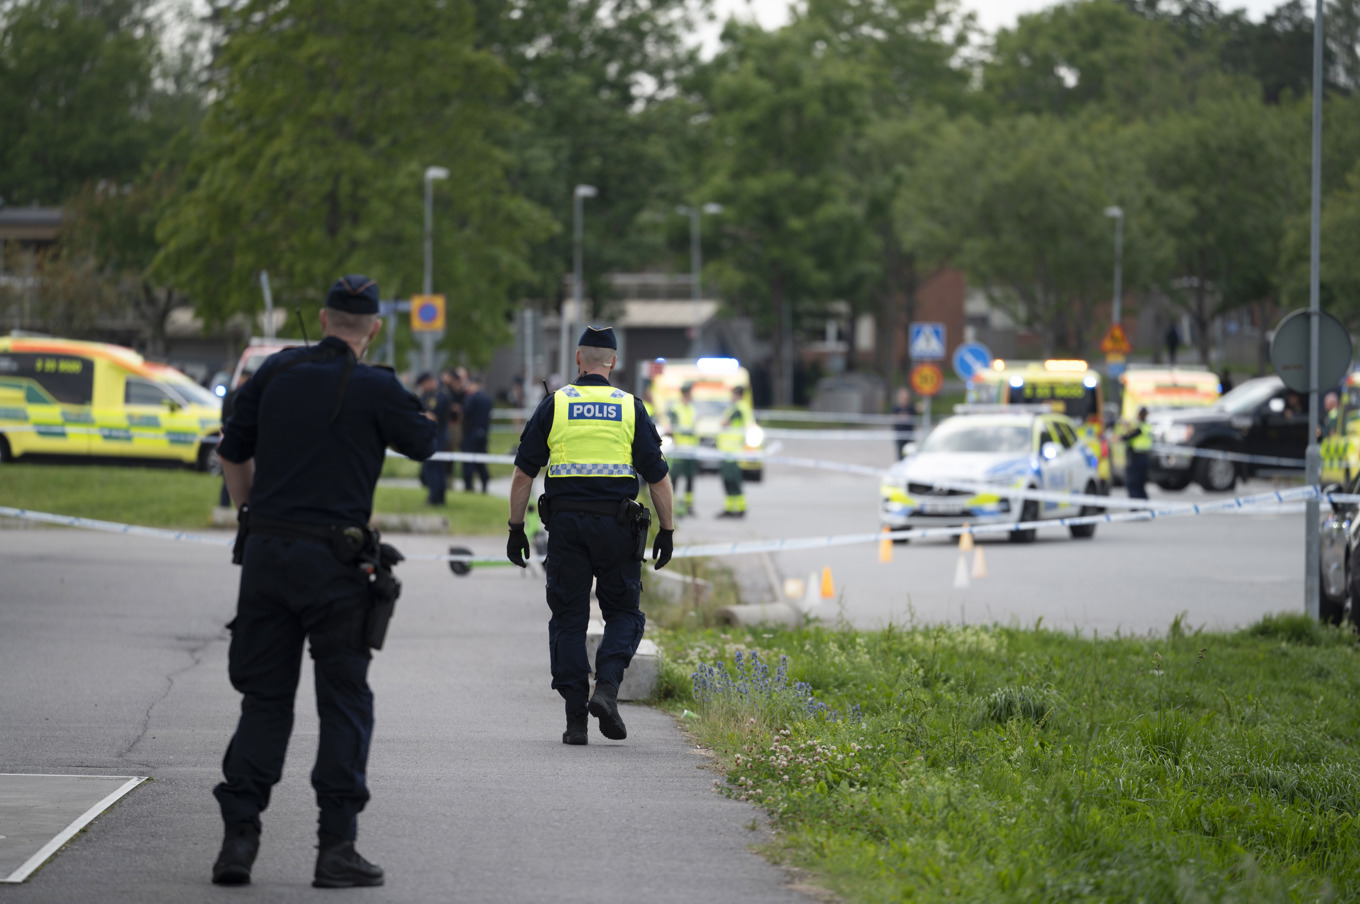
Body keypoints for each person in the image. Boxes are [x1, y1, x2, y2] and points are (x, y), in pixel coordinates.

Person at [212, 274, 438, 889]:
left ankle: (239, 841)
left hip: (266, 555)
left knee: (264, 699)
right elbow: (424, 442)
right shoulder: (376, 386)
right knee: (343, 702)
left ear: (321, 317)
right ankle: (335, 849)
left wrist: (253, 514)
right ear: (375, 327)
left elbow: (232, 452)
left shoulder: (275, 374)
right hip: (336, 567)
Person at [505, 326, 675, 745]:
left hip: (565, 528)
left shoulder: (555, 404)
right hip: (618, 529)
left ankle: (575, 722)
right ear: (612, 362)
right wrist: (667, 530)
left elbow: (523, 474)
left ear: (578, 359)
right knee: (624, 614)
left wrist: (514, 528)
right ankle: (607, 690)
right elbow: (658, 479)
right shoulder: (630, 407)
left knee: (568, 618)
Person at [416, 373, 451, 505]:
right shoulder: (425, 396)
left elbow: (432, 416)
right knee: (432, 467)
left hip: (438, 436)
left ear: (429, 381)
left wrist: (417, 415)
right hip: (429, 435)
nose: (422, 387)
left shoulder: (440, 396)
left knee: (434, 466)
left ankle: (436, 497)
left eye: (423, 384)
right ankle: (436, 497)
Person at [219, 370, 252, 507]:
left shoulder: (231, 396)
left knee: (229, 475)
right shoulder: (251, 397)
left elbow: (223, 419)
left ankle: (224, 505)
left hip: (231, 438)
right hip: (246, 439)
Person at [716, 385, 750, 518]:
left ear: (738, 394)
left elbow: (725, 423)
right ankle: (730, 508)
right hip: (728, 451)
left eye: (733, 394)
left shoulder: (739, 408)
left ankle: (740, 509)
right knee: (729, 481)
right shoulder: (737, 407)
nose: (732, 396)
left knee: (733, 481)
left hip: (732, 451)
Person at [667, 383, 699, 517]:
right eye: (691, 392)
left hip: (691, 449)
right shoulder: (675, 408)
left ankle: (688, 506)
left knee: (690, 479)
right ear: (686, 393)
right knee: (674, 478)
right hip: (679, 449)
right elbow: (671, 428)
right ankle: (671, 506)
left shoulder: (692, 408)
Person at [461, 373, 492, 493]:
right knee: (481, 462)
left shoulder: (472, 398)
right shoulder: (487, 398)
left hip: (471, 433)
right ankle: (484, 483)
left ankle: (468, 486)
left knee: (468, 460)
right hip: (483, 433)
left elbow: (466, 413)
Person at [1122, 406, 1153, 500]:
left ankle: (1136, 509)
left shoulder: (1140, 428)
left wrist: (1125, 428)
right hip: (1144, 458)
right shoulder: (1147, 426)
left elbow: (1127, 437)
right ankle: (1144, 508)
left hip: (1136, 459)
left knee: (1132, 484)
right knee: (1140, 485)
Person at [891, 386, 915, 458]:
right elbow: (892, 419)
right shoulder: (895, 408)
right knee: (900, 455)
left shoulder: (911, 407)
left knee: (910, 454)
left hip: (909, 435)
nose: (906, 398)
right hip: (900, 435)